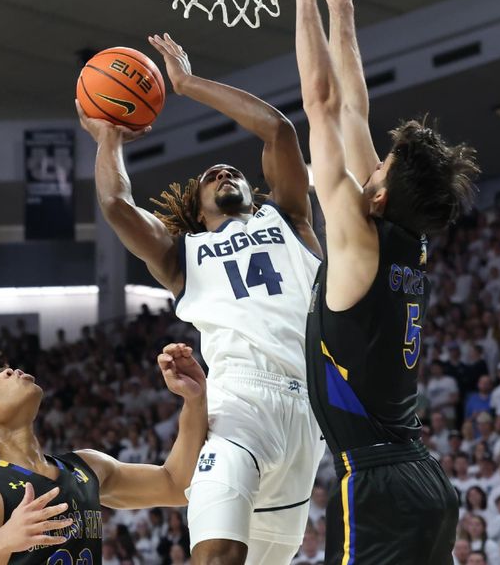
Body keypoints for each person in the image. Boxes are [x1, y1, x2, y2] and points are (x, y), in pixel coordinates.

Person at [75, 31, 323, 565]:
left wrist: (186, 84)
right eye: (211, 176)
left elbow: (278, 130)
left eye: (233, 172)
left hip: (310, 414)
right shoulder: (183, 255)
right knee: (216, 557)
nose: (224, 172)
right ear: (196, 206)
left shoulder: (291, 222)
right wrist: (108, 137)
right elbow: (117, 205)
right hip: (239, 406)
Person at [294, 0, 478, 562]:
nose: (367, 164)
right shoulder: (403, 238)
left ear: (375, 195)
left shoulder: (359, 236)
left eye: (377, 167)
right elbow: (351, 113)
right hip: (423, 479)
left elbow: (322, 107)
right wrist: (341, 4)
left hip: (378, 482)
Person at [0, 342, 207, 564]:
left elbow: (176, 485)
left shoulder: (87, 466)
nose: (7, 371)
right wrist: (2, 542)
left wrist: (193, 400)